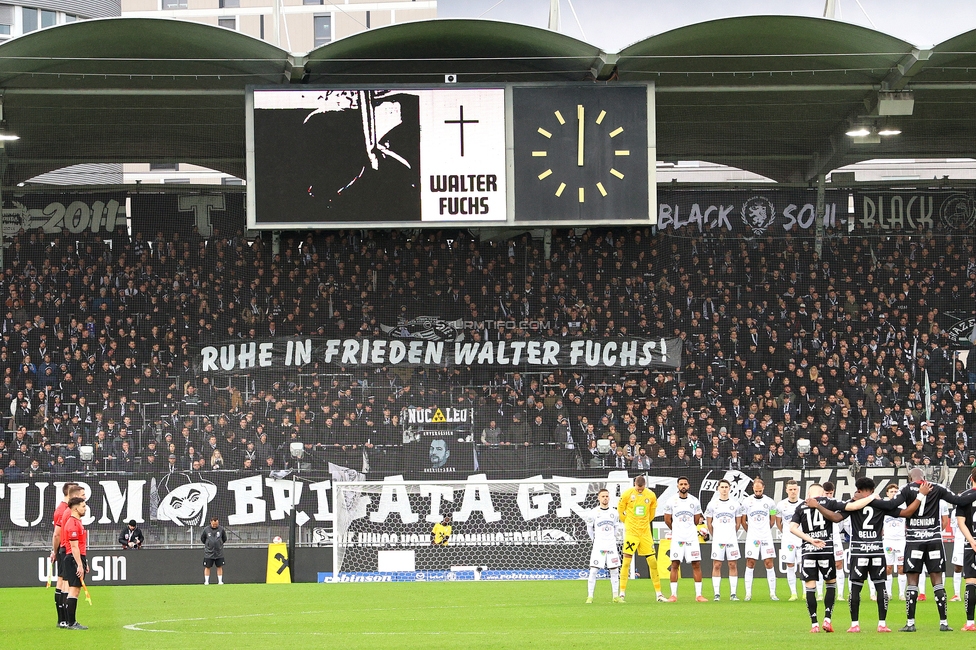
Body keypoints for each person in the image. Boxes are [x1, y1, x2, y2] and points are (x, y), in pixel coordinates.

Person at [808, 477, 928, 633]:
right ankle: (882, 624)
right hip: (877, 550)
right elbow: (906, 513)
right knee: (880, 587)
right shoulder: (881, 504)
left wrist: (818, 506)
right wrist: (920, 496)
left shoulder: (853, 505)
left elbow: (835, 518)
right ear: (872, 490)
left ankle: (854, 624)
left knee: (856, 589)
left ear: (858, 490)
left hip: (858, 551)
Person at [891, 466, 974, 632]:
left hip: (914, 541)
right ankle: (943, 623)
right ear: (924, 476)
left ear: (910, 478)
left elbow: (892, 504)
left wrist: (901, 512)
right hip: (934, 540)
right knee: (937, 581)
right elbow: (960, 501)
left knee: (912, 582)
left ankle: (910, 623)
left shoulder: (906, 489)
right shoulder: (936, 487)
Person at [790, 484, 843, 633]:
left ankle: (814, 624)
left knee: (810, 587)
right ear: (822, 492)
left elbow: (792, 528)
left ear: (808, 493)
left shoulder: (801, 506)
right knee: (831, 583)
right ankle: (827, 619)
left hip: (808, 550)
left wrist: (810, 540)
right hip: (826, 548)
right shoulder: (829, 502)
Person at [617, 475, 665, 602]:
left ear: (645, 485)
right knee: (626, 562)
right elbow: (620, 510)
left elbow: (652, 514)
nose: (639, 490)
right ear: (634, 484)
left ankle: (659, 594)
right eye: (638, 488)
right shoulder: (627, 494)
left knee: (653, 562)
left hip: (645, 534)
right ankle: (621, 593)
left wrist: (643, 524)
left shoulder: (651, 495)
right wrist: (627, 522)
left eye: (641, 488)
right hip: (632, 533)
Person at [663, 476, 706, 602]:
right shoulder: (671, 501)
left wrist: (688, 528)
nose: (683, 486)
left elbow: (697, 520)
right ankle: (673, 595)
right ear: (677, 486)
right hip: (677, 538)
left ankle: (699, 595)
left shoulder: (694, 501)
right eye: (681, 484)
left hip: (691, 538)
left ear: (688, 486)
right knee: (675, 564)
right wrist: (676, 529)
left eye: (685, 484)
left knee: (696, 564)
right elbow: (667, 519)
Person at [706, 478, 743, 600]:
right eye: (722, 487)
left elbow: (738, 524)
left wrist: (731, 533)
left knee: (732, 564)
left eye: (726, 487)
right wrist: (715, 535)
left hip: (731, 539)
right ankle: (717, 594)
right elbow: (709, 523)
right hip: (718, 539)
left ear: (730, 488)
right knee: (717, 565)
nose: (724, 489)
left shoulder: (735, 504)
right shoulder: (712, 504)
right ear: (718, 489)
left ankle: (733, 594)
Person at [742, 476, 778, 601]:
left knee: (769, 563)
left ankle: (773, 593)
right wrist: (751, 531)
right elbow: (743, 520)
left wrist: (765, 529)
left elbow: (772, 519)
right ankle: (748, 594)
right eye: (755, 491)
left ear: (763, 488)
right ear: (753, 488)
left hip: (766, 537)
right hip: (752, 537)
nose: (757, 493)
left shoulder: (770, 502)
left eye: (760, 491)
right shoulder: (746, 501)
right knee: (750, 563)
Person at [585, 488, 622, 603]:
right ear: (598, 498)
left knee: (614, 570)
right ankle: (590, 596)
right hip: (599, 545)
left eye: (607, 496)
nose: (605, 498)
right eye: (603, 496)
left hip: (611, 545)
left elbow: (616, 528)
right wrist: (595, 540)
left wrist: (612, 538)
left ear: (609, 497)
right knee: (593, 571)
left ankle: (615, 596)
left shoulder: (614, 512)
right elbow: (589, 529)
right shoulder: (593, 513)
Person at [51, 482, 80, 628]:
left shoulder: (64, 509)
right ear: (70, 494)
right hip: (65, 549)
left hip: (62, 549)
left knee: (62, 582)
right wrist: (54, 552)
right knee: (65, 584)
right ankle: (65, 620)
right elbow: (56, 534)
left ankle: (62, 620)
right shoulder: (63, 510)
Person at [60, 495, 89, 630]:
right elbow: (74, 547)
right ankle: (71, 622)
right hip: (73, 558)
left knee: (74, 590)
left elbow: (81, 546)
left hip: (77, 557)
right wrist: (79, 564)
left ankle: (69, 622)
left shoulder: (78, 522)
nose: (85, 508)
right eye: (83, 506)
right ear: (76, 508)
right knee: (74, 590)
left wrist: (85, 562)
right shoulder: (72, 524)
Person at [953, 467, 976, 631]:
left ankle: (970, 623)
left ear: (971, 478)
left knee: (971, 582)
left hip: (971, 545)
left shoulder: (964, 497)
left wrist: (972, 541)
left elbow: (961, 522)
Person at [775, 479, 803, 601]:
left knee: (804, 565)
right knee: (790, 565)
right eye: (790, 489)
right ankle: (793, 593)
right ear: (786, 490)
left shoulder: (804, 504)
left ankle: (806, 592)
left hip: (802, 539)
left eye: (794, 489)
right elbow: (777, 521)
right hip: (788, 539)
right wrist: (786, 532)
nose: (793, 492)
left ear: (798, 490)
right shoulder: (780, 505)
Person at [822, 481, 850, 601]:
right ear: (823, 492)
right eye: (827, 493)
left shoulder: (837, 504)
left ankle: (840, 595)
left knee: (839, 564)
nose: (829, 495)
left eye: (830, 493)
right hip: (822, 537)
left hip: (836, 537)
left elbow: (844, 521)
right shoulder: (819, 504)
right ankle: (819, 593)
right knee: (821, 564)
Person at [201, 516, 227, 585]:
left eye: (216, 524)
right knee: (207, 567)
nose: (215, 525)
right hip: (209, 553)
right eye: (213, 524)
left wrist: (219, 544)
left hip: (219, 552)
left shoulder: (221, 529)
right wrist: (208, 545)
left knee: (219, 566)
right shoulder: (206, 529)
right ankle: (206, 581)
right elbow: (203, 539)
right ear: (211, 522)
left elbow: (224, 539)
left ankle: (220, 581)